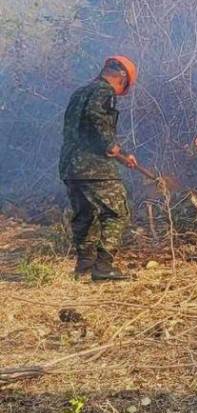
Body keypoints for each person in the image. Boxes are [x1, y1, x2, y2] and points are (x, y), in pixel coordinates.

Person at [59, 55, 139, 282]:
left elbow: (84, 130)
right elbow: (96, 117)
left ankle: (84, 266)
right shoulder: (104, 91)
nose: (120, 91)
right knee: (118, 212)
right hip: (94, 168)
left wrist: (122, 156)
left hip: (71, 167)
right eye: (124, 86)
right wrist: (110, 143)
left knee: (85, 214)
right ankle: (103, 267)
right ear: (121, 78)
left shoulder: (80, 93)